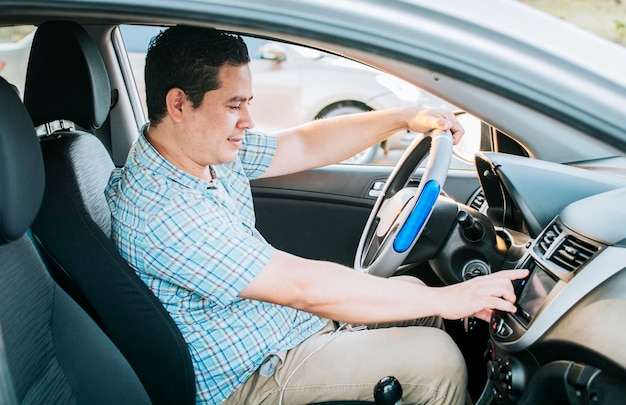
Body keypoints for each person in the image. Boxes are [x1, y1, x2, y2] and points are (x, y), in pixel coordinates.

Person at [106, 25, 528, 405]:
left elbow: (302, 145)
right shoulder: (163, 210)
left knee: (419, 298)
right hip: (251, 376)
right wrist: (451, 297)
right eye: (235, 105)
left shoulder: (204, 152)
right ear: (179, 104)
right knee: (436, 360)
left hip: (282, 330)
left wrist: (403, 118)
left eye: (248, 103)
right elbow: (302, 287)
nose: (248, 121)